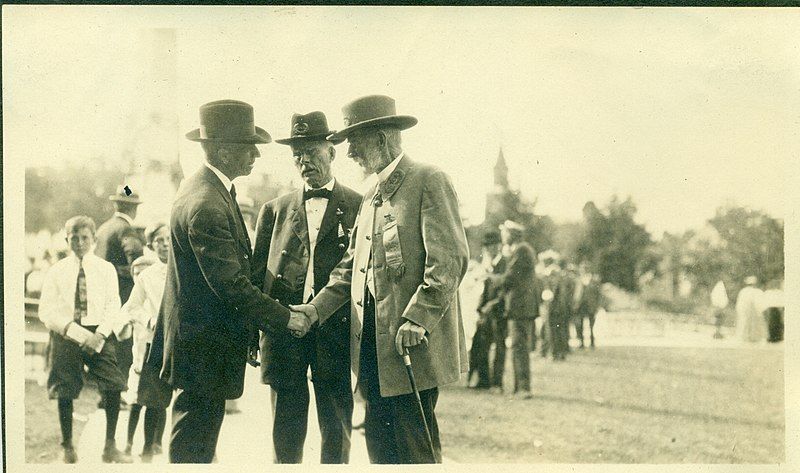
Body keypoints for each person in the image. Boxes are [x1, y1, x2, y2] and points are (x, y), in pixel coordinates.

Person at [291, 95, 469, 463]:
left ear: (382, 139)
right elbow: (350, 267)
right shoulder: (372, 191)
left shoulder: (428, 180)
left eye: (355, 140)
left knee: (413, 444)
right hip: (372, 347)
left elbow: (449, 259)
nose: (350, 151)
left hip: (410, 346)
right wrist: (314, 310)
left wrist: (418, 317)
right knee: (379, 444)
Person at [145, 100, 312, 464]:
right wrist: (286, 318)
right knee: (194, 441)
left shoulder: (206, 190)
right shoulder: (207, 202)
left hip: (202, 345)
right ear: (222, 150)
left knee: (198, 435)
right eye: (246, 147)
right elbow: (231, 285)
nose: (255, 154)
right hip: (203, 348)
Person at [251, 111, 361, 463]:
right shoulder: (274, 210)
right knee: (285, 431)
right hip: (284, 332)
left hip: (335, 330)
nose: (304, 161)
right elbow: (257, 278)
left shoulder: (358, 206)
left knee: (336, 428)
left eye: (312, 151)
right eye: (297, 154)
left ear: (332, 151)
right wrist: (253, 334)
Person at [37, 216, 132, 463]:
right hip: (67, 332)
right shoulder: (57, 271)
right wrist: (72, 330)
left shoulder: (105, 268)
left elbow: (114, 304)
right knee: (65, 388)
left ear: (94, 239)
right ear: (66, 240)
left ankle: (110, 446)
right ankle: (67, 446)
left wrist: (100, 333)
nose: (79, 243)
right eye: (74, 238)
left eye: (84, 238)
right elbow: (46, 310)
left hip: (98, 331)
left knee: (113, 385)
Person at [120, 222, 170, 461]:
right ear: (151, 245)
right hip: (156, 343)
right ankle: (147, 449)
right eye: (160, 240)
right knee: (153, 397)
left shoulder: (189, 271)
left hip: (182, 343)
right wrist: (149, 320)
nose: (166, 245)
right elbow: (131, 307)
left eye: (170, 239)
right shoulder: (148, 277)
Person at [96, 186, 143, 400]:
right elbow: (136, 262)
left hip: (100, 294)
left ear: (117, 205)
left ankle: (105, 394)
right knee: (122, 343)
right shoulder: (126, 230)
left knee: (106, 342)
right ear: (133, 209)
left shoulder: (103, 228)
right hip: (122, 293)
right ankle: (118, 392)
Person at [489, 220, 537, 398]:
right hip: (520, 307)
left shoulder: (521, 250)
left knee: (519, 346)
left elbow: (510, 278)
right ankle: (521, 387)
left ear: (511, 234)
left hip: (520, 307)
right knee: (519, 346)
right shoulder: (521, 250)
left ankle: (523, 388)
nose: (502, 237)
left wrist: (491, 278)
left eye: (504, 233)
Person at [469, 231, 503, 390]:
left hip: (498, 310)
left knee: (498, 348)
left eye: (490, 246)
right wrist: (480, 308)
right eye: (486, 247)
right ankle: (484, 380)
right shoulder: (490, 265)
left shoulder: (504, 263)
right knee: (481, 344)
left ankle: (496, 381)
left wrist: (492, 305)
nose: (488, 250)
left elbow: (504, 289)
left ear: (498, 246)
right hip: (486, 309)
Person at [574, 268, 602, 348]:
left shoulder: (594, 281)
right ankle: (581, 342)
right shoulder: (579, 281)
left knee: (591, 324)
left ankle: (592, 341)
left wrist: (597, 306)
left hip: (591, 306)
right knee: (580, 324)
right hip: (581, 306)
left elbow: (598, 294)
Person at [735, 276, 766, 343]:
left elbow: (739, 303)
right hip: (749, 310)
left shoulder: (743, 291)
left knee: (745, 323)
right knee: (749, 323)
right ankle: (750, 338)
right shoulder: (756, 291)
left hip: (747, 311)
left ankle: (746, 338)